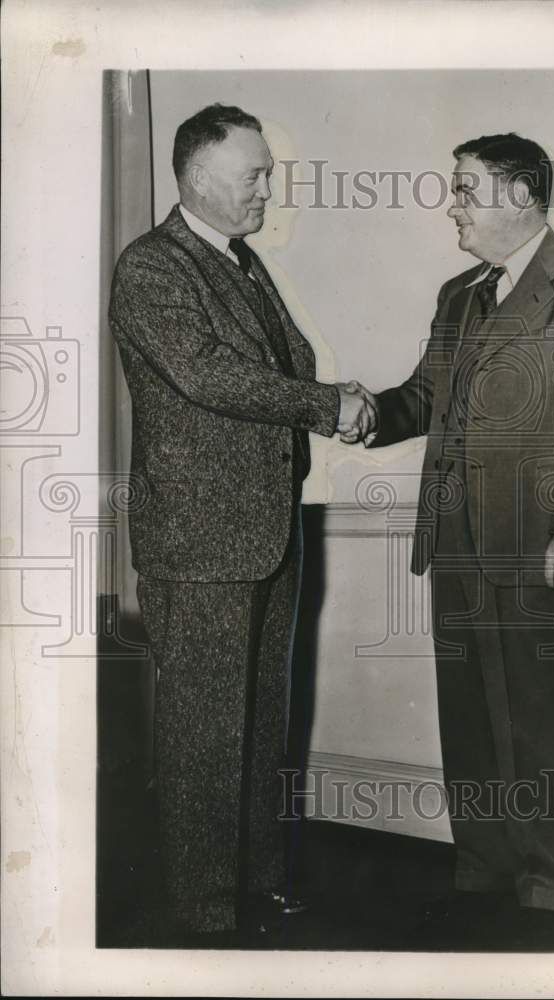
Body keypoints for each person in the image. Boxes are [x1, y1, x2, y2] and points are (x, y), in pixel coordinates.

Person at [347, 133, 554, 936]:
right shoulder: (458, 295)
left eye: (466, 190)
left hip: (542, 545)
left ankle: (550, 890)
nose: (453, 205)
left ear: (519, 195)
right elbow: (422, 397)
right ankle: (480, 873)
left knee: (542, 722)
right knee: (470, 720)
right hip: (454, 542)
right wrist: (364, 412)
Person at [109, 103, 373, 940]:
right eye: (253, 172)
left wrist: (329, 401)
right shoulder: (153, 265)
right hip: (199, 542)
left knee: (260, 722)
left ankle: (255, 885)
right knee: (203, 735)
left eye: (267, 170)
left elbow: (279, 364)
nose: (268, 185)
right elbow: (208, 374)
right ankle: (201, 909)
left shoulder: (238, 261)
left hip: (263, 529)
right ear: (195, 176)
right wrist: (329, 406)